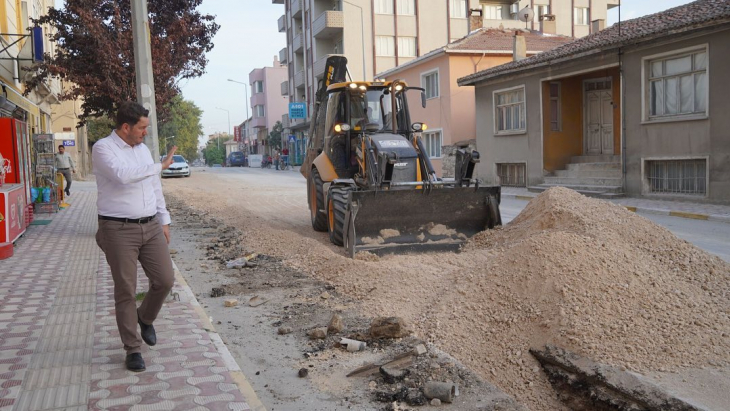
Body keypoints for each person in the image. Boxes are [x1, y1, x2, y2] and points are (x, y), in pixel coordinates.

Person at [92, 101, 178, 372]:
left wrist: (163, 219)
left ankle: (146, 317)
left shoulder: (142, 150)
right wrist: (159, 166)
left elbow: (154, 187)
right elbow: (122, 176)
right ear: (126, 127)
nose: (145, 134)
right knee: (126, 290)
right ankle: (132, 349)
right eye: (142, 128)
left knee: (165, 280)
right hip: (118, 229)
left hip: (150, 225)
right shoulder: (103, 148)